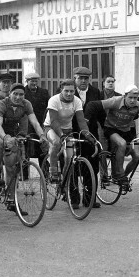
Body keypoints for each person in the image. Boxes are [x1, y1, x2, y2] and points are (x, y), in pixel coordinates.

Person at [86, 84, 139, 184]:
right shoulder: (115, 101)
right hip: (111, 129)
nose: (133, 100)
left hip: (127, 131)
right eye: (130, 97)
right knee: (122, 143)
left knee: (137, 156)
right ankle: (119, 174)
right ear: (125, 96)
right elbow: (92, 105)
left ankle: (123, 176)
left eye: (135, 98)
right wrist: (86, 120)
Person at [0, 83, 50, 212]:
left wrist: (42, 135)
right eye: (15, 94)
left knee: (12, 167)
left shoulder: (26, 104)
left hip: (13, 132)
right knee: (2, 142)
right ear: (10, 94)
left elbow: (34, 121)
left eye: (21, 94)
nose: (18, 97)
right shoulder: (1, 104)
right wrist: (6, 138)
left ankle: (11, 200)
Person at [43, 79, 96, 209]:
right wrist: (61, 135)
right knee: (55, 143)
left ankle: (65, 183)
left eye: (72, 91)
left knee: (70, 157)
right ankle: (53, 171)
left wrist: (88, 135)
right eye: (66, 91)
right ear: (61, 89)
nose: (69, 94)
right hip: (51, 127)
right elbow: (54, 120)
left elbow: (81, 121)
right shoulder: (54, 100)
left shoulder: (77, 101)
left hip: (68, 130)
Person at [70, 66, 103, 208]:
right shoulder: (68, 91)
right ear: (75, 78)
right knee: (73, 165)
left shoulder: (96, 92)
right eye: (80, 78)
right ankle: (74, 199)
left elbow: (101, 114)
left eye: (86, 78)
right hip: (73, 133)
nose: (83, 81)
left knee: (92, 167)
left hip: (91, 135)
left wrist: (105, 132)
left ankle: (89, 199)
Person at [22, 71, 51, 170]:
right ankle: (24, 172)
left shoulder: (44, 92)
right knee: (25, 148)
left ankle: (44, 171)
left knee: (42, 147)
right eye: (31, 81)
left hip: (40, 123)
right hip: (27, 125)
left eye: (35, 81)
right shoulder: (23, 92)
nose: (34, 83)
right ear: (27, 81)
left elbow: (48, 108)